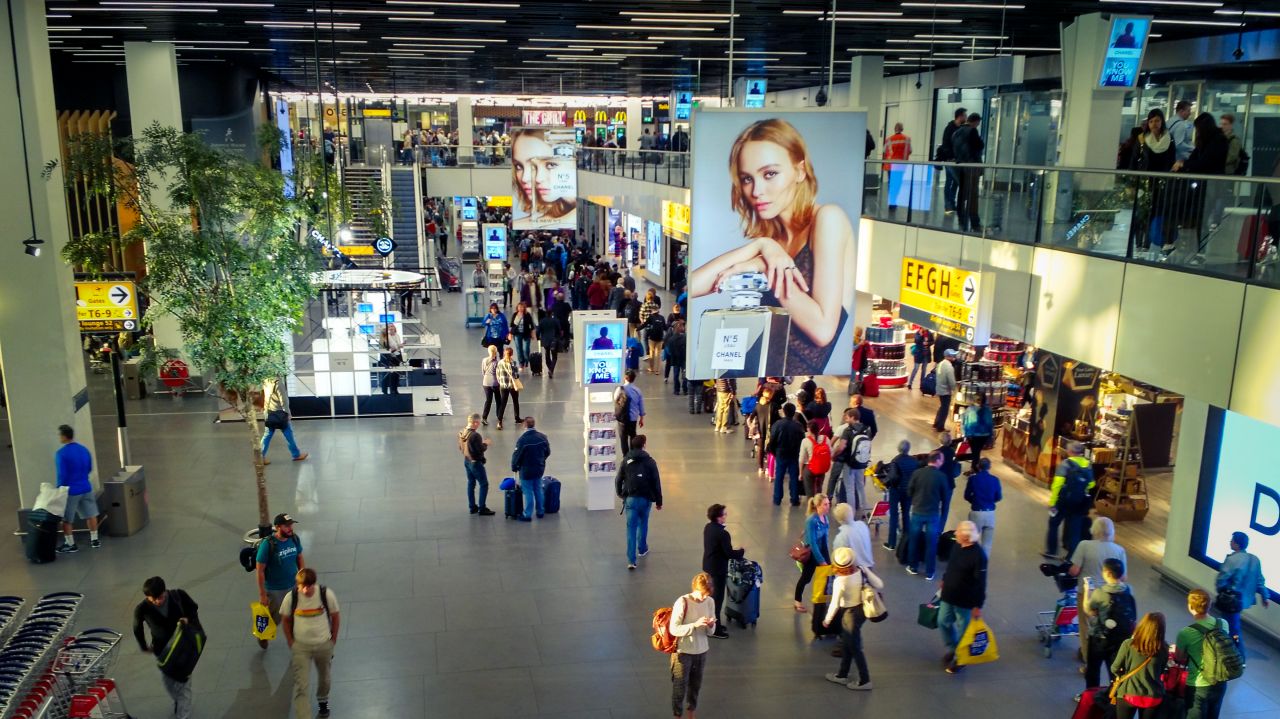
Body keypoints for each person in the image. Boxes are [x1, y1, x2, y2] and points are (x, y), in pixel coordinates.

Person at [687, 118, 853, 376]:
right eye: (747, 179)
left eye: (770, 174)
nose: (756, 191)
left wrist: (764, 267)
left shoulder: (828, 218)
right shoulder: (771, 242)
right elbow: (692, 285)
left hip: (789, 391)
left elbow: (822, 330)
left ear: (800, 171)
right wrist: (761, 246)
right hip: (751, 377)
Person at [133, 576, 199, 719]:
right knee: (168, 682)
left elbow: (193, 608)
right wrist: (144, 646)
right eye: (154, 599)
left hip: (184, 648)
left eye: (161, 597)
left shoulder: (178, 596)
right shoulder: (142, 609)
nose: (158, 601)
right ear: (148, 598)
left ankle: (183, 714)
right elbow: (137, 628)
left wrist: (188, 618)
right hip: (163, 651)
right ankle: (178, 700)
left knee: (184, 684)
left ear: (165, 591)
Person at [280, 568, 340, 719]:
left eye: (310, 586)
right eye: (303, 586)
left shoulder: (326, 595)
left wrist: (332, 640)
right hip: (301, 647)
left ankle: (323, 701)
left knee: (325, 678)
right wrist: (291, 642)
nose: (306, 590)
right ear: (298, 585)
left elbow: (335, 616)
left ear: (314, 584)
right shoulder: (291, 598)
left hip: (323, 645)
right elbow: (285, 620)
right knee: (301, 685)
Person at [822, 546, 882, 691]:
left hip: (849, 615)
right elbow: (880, 584)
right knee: (848, 644)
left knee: (855, 648)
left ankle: (865, 680)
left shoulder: (840, 581)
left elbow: (835, 604)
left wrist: (827, 620)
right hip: (862, 611)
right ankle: (842, 674)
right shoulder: (860, 569)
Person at [1082, 557, 1137, 692]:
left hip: (1099, 638)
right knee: (1115, 671)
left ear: (1107, 573)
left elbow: (1088, 610)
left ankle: (1091, 696)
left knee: (1093, 669)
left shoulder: (1100, 593)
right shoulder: (1129, 589)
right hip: (1120, 639)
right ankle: (1114, 697)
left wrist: (1087, 591)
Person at [939, 521, 987, 674]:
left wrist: (977, 605)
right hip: (949, 593)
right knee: (942, 621)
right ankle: (953, 648)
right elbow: (951, 565)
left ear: (966, 537)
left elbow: (981, 582)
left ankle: (961, 658)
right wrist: (945, 579)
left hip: (965, 600)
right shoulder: (957, 546)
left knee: (963, 630)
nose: (955, 534)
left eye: (958, 532)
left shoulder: (979, 556)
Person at [1176, 589, 1232, 719]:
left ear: (1190, 607)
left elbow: (1180, 658)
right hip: (1220, 681)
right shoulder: (1223, 624)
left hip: (1198, 685)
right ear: (1209, 604)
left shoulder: (1186, 633)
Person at [1214, 531, 1269, 661]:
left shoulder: (1233, 559)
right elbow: (1260, 581)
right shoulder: (1255, 559)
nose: (1230, 542)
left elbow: (1222, 578)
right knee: (1229, 625)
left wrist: (1220, 590)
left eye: (1232, 540)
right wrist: (1265, 596)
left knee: (1233, 629)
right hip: (1243, 600)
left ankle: (1239, 656)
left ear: (1237, 544)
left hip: (1231, 600)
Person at [668, 572, 716, 719]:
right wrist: (694, 625)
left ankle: (691, 715)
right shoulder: (682, 602)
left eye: (707, 594)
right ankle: (677, 715)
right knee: (679, 688)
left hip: (701, 651)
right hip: (683, 653)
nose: (703, 598)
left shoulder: (710, 601)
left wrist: (711, 625)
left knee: (695, 686)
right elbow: (674, 629)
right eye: (702, 594)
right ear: (694, 588)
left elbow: (711, 632)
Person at [255, 513, 305, 650]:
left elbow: (299, 558)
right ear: (277, 527)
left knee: (294, 615)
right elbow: (259, 570)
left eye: (291, 525)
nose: (290, 528)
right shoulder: (268, 545)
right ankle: (262, 636)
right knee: (273, 618)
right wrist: (262, 594)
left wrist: (302, 580)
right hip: (275, 589)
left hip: (293, 585)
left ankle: (295, 641)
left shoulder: (294, 539)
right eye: (286, 526)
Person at [616, 434, 663, 570]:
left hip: (630, 499)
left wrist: (620, 493)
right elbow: (656, 482)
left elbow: (618, 479)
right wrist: (659, 501)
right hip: (645, 498)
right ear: (644, 445)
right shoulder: (650, 462)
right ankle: (642, 548)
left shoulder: (626, 460)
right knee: (643, 523)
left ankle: (631, 560)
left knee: (630, 528)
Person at [1109, 612, 1168, 719]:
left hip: (1128, 693)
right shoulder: (1164, 648)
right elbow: (1161, 671)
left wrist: (1122, 674)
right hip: (1153, 696)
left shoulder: (1128, 644)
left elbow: (1114, 668)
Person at [54, 424, 99, 553]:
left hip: (71, 491)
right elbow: (89, 468)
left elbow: (62, 474)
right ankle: (94, 540)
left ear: (63, 436)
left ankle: (70, 544)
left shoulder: (61, 454)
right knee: (91, 514)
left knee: (67, 519)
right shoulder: (84, 450)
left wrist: (59, 489)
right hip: (86, 487)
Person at [702, 504, 744, 638]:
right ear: (719, 517)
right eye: (724, 514)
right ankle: (714, 629)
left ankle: (715, 623)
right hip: (718, 569)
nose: (726, 516)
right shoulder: (723, 533)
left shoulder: (708, 527)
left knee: (710, 597)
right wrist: (741, 551)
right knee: (717, 600)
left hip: (709, 565)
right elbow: (729, 553)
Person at [1049, 441, 1095, 559]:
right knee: (1075, 529)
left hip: (1063, 502)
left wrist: (1053, 503)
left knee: (1054, 524)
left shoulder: (1065, 464)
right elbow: (1091, 484)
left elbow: (1057, 485)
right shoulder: (1087, 464)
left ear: (1070, 452)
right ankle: (1072, 557)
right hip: (1080, 503)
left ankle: (1051, 550)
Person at [906, 451, 948, 581]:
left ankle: (913, 566)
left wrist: (915, 500)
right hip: (933, 514)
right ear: (938, 461)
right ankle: (930, 571)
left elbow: (909, 491)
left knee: (914, 540)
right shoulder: (941, 476)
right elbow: (945, 496)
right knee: (932, 543)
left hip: (918, 511)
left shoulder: (917, 473)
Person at [795, 493, 831, 613]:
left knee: (827, 576)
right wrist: (821, 560)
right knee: (806, 578)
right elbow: (812, 543)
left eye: (828, 504)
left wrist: (827, 558)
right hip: (811, 554)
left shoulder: (825, 518)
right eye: (825, 504)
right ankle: (797, 601)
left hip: (821, 550)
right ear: (818, 506)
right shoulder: (811, 521)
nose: (828, 506)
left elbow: (825, 539)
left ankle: (823, 599)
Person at [510, 417, 551, 522]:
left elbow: (517, 456)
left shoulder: (522, 440)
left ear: (524, 425)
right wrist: (541, 460)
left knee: (528, 491)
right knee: (538, 489)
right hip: (539, 468)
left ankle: (527, 514)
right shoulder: (543, 437)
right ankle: (540, 511)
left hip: (526, 470)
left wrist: (514, 466)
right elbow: (547, 452)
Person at [260, 378, 308, 465]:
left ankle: (259, 456)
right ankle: (296, 455)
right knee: (288, 433)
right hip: (280, 413)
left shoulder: (266, 380)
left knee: (267, 435)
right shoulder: (278, 383)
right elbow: (283, 400)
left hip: (269, 412)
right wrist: (288, 413)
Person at [767, 403, 806, 506]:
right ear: (794, 412)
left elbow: (772, 440)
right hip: (794, 455)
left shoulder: (778, 424)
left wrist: (773, 451)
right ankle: (794, 499)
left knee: (779, 476)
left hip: (780, 453)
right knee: (794, 477)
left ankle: (777, 499)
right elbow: (802, 440)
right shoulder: (798, 425)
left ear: (784, 411)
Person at [961, 458, 1002, 557]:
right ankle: (982, 567)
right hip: (990, 514)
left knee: (972, 541)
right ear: (990, 467)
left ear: (978, 467)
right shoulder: (995, 480)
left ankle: (971, 564)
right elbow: (999, 497)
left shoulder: (973, 479)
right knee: (987, 545)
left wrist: (974, 501)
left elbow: (966, 495)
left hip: (976, 512)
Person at [882, 439, 918, 551]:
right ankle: (906, 540)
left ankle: (892, 543)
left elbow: (892, 476)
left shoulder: (895, 461)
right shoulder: (914, 461)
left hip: (896, 490)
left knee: (894, 515)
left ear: (899, 448)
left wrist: (885, 482)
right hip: (908, 491)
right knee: (906, 514)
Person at [952, 112, 985, 233]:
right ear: (975, 121)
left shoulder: (956, 133)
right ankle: (975, 222)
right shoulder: (972, 131)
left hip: (960, 166)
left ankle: (961, 219)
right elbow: (979, 146)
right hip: (971, 167)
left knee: (962, 193)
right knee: (972, 195)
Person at [458, 413, 494, 516]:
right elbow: (479, 450)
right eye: (478, 423)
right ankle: (482, 508)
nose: (478, 425)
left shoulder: (462, 432)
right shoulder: (475, 435)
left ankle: (472, 506)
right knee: (484, 484)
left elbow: (460, 447)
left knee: (471, 483)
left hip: (467, 461)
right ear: (475, 422)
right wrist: (485, 443)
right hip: (475, 463)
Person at [938, 107, 967, 213]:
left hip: (958, 160)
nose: (966, 117)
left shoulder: (961, 128)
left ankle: (951, 203)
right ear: (960, 116)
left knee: (954, 182)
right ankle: (948, 205)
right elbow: (945, 144)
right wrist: (951, 156)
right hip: (950, 159)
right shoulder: (950, 128)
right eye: (965, 115)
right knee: (951, 181)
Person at [831, 502, 873, 570]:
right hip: (869, 567)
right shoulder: (862, 525)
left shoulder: (841, 537)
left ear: (839, 520)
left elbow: (839, 560)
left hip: (855, 571)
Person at [799, 420, 833, 498]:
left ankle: (811, 506)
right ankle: (819, 505)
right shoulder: (826, 438)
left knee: (809, 491)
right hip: (822, 468)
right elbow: (831, 452)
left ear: (809, 429)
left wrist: (800, 473)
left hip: (810, 468)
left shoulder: (806, 441)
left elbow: (801, 459)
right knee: (819, 488)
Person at [961, 394, 994, 472]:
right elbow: (990, 424)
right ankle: (975, 467)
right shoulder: (988, 410)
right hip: (984, 435)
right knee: (976, 451)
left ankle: (974, 468)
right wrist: (990, 436)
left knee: (975, 452)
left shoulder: (970, 409)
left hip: (972, 435)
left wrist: (965, 433)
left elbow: (964, 422)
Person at [615, 369, 645, 454]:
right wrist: (641, 418)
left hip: (622, 418)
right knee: (632, 436)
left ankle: (626, 457)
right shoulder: (637, 390)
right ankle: (632, 455)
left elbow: (615, 399)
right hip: (633, 418)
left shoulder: (620, 389)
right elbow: (641, 405)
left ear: (625, 377)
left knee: (623, 438)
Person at [495, 346, 523, 430]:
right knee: (515, 401)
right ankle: (517, 418)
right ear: (512, 354)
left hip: (503, 385)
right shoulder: (513, 363)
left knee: (503, 403)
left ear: (504, 353)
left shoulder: (500, 362)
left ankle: (499, 421)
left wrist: (500, 381)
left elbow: (497, 373)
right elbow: (516, 375)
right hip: (512, 385)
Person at [933, 349, 957, 431]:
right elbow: (952, 382)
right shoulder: (949, 367)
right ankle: (940, 427)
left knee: (942, 406)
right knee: (945, 409)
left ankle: (936, 423)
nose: (954, 356)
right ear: (949, 357)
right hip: (945, 391)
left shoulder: (940, 364)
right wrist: (954, 390)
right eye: (953, 355)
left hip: (939, 388)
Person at [534, 308, 561, 378]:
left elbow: (538, 331)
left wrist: (538, 338)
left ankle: (550, 368)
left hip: (545, 340)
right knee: (554, 356)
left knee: (547, 354)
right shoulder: (555, 320)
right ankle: (551, 370)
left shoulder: (542, 321)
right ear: (552, 313)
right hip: (553, 340)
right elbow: (559, 329)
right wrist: (559, 337)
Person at [509, 302, 535, 369]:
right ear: (517, 308)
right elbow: (512, 325)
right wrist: (510, 334)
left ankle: (526, 360)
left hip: (526, 334)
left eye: (522, 307)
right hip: (517, 334)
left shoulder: (527, 315)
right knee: (519, 349)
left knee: (526, 349)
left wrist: (532, 334)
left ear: (524, 308)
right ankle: (521, 363)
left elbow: (531, 325)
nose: (520, 308)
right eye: (519, 307)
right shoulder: (515, 314)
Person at [480, 344, 501, 427]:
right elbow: (498, 374)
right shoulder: (497, 362)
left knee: (488, 401)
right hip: (495, 383)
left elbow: (483, 372)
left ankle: (484, 417)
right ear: (496, 352)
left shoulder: (484, 360)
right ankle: (499, 415)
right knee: (498, 400)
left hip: (486, 383)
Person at [666, 320, 688, 394]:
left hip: (675, 360)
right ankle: (685, 389)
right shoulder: (685, 338)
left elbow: (669, 351)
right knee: (684, 375)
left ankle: (676, 390)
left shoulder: (671, 339)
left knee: (676, 375)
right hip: (683, 359)